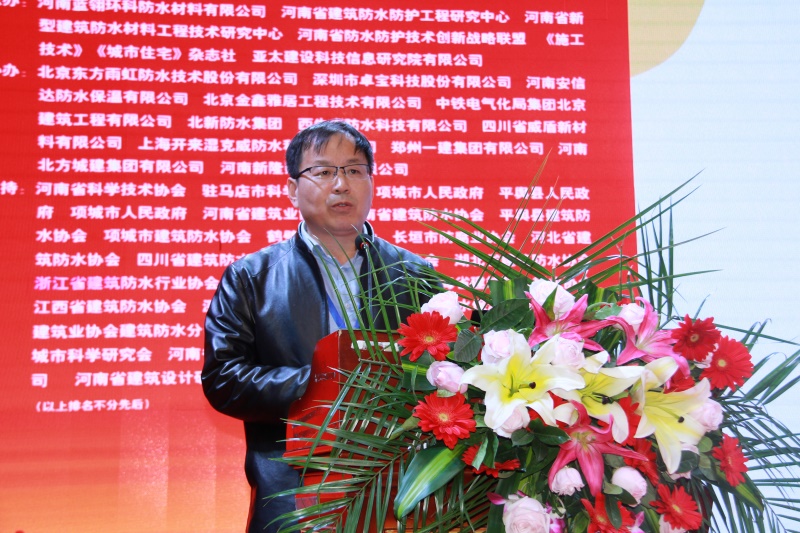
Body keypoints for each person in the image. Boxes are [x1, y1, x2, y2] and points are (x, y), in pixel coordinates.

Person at [202, 120, 434, 532]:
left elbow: (447, 371)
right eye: (324, 171)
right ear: (293, 189)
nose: (341, 185)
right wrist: (320, 384)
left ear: (372, 182)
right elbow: (223, 379)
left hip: (397, 492)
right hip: (291, 490)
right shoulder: (251, 277)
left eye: (355, 170)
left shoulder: (416, 275)